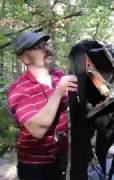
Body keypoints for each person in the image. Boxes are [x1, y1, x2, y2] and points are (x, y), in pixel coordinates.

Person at [6, 32, 78, 180]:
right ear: (25, 58)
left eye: (46, 44)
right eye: (39, 47)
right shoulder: (19, 89)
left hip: (64, 158)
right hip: (36, 167)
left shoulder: (58, 75)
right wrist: (58, 92)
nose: (46, 48)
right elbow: (37, 130)